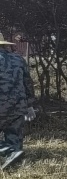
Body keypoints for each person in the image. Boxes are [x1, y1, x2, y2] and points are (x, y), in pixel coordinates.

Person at [0, 33, 37, 171]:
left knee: (11, 146)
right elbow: (28, 83)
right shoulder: (18, 59)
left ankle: (8, 151)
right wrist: (29, 105)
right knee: (14, 136)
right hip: (18, 106)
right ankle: (14, 162)